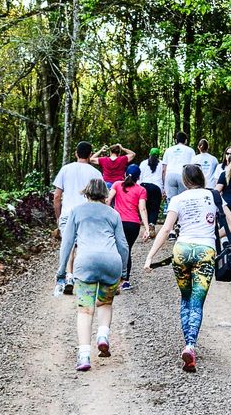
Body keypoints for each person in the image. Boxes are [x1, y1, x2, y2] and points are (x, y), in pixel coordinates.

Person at [142, 164, 231, 372]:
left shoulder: (178, 199)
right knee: (197, 301)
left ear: (185, 182)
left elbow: (166, 229)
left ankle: (188, 343)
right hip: (206, 251)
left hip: (182, 250)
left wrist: (150, 257)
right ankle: (190, 345)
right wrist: (212, 236)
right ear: (202, 178)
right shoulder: (214, 196)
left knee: (185, 298)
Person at [57, 179, 129, 372]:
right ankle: (103, 336)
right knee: (105, 303)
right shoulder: (113, 213)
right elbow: (123, 245)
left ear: (86, 193)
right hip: (111, 263)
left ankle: (84, 356)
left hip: (86, 263)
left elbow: (67, 243)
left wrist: (61, 271)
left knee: (85, 311)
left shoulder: (76, 211)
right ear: (105, 194)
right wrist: (123, 272)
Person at [53, 141, 103, 295]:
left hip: (67, 214)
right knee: (82, 245)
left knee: (68, 245)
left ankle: (68, 276)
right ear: (90, 155)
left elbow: (57, 196)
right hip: (88, 215)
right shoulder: (96, 173)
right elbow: (102, 199)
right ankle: (82, 277)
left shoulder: (65, 169)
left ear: (76, 153)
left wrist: (58, 217)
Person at [106, 164, 150, 292]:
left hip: (117, 222)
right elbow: (142, 209)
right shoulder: (141, 190)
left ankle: (111, 279)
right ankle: (125, 281)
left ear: (125, 174)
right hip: (133, 224)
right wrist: (147, 228)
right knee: (127, 250)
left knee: (113, 249)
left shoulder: (117, 184)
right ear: (139, 177)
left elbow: (108, 200)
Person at [139, 147, 164, 237]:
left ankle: (146, 227)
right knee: (154, 207)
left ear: (149, 154)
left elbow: (140, 177)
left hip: (144, 186)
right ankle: (151, 225)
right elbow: (163, 177)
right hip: (156, 187)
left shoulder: (143, 163)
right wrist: (164, 189)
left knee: (145, 207)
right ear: (158, 156)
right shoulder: (162, 164)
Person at [162, 131, 195, 199]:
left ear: (176, 140)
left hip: (170, 176)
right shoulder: (190, 150)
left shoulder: (168, 150)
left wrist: (164, 184)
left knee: (171, 200)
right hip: (183, 176)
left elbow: (164, 169)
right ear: (186, 141)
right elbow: (193, 168)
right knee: (183, 199)